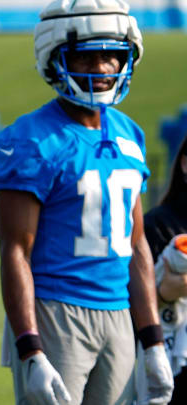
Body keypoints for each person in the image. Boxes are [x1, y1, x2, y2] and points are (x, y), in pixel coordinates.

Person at [0, 0, 173, 404]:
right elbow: (16, 251)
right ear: (55, 60)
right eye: (87, 56)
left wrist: (154, 339)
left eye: (113, 54)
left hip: (119, 312)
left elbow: (136, 244)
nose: (103, 67)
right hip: (57, 311)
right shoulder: (31, 139)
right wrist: (30, 348)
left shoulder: (130, 133)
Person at [142, 136, 187, 404]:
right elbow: (133, 297)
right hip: (171, 355)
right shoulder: (157, 224)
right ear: (184, 164)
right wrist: (166, 288)